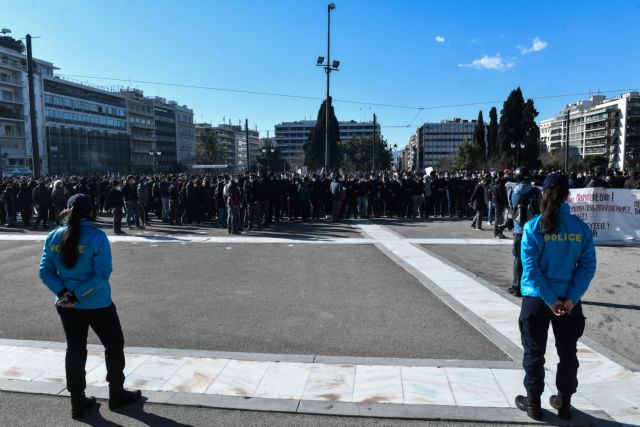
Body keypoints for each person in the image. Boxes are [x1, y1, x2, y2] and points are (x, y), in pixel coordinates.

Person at [39, 194, 141, 420]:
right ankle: (116, 393)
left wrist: (64, 293)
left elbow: (45, 271)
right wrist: (78, 294)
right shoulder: (96, 237)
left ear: (67, 210)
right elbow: (102, 274)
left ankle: (77, 401)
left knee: (75, 350)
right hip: (97, 303)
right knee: (113, 345)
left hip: (67, 304)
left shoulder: (54, 236)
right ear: (90, 211)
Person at [515, 173, 596, 421]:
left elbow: (531, 269)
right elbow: (587, 266)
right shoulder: (580, 228)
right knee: (568, 353)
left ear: (544, 194)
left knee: (534, 351)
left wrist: (551, 300)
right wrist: (571, 298)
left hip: (537, 298)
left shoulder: (533, 227)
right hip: (569, 300)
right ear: (568, 196)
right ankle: (565, 402)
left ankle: (534, 402)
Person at [508, 167, 541, 297]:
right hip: (534, 230)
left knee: (518, 259)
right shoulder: (536, 191)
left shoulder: (513, 192)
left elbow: (511, 208)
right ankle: (533, 286)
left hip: (519, 230)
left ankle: (516, 286)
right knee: (534, 259)